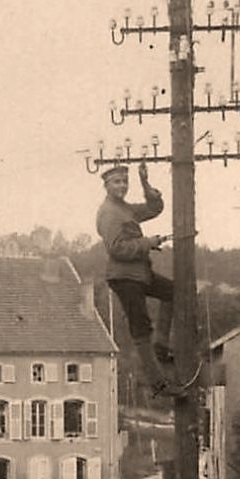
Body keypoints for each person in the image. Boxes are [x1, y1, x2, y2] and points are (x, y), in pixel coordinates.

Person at [96, 163, 176, 396]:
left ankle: (160, 346)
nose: (121, 186)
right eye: (116, 182)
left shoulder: (125, 209)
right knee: (140, 327)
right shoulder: (109, 212)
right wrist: (148, 243)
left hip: (139, 274)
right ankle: (157, 382)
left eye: (124, 181)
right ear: (106, 186)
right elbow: (116, 249)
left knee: (173, 292)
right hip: (124, 277)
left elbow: (154, 208)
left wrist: (145, 183)